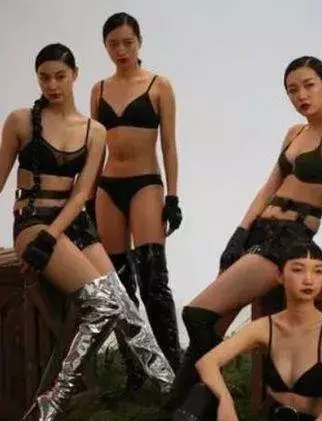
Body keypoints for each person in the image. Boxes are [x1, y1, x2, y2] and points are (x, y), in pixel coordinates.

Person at [166, 56, 322, 414]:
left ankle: (204, 404)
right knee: (213, 329)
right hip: (259, 231)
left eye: (309, 85)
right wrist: (239, 233)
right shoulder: (295, 133)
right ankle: (182, 410)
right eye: (292, 90)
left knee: (197, 315)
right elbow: (269, 187)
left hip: (288, 240)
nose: (301, 95)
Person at [0, 43, 175, 421]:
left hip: (72, 224)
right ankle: (52, 403)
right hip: (33, 222)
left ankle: (172, 390)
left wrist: (55, 234)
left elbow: (81, 194)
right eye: (44, 77)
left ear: (75, 75)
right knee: (102, 305)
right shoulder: (19, 121)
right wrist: (46, 237)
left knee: (126, 311)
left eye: (60, 76)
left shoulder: (95, 131)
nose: (52, 85)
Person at [89, 11, 183, 390]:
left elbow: (169, 145)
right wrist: (87, 196)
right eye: (113, 44)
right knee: (119, 287)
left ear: (139, 41)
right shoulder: (98, 90)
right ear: (105, 46)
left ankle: (173, 369)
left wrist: (173, 196)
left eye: (127, 42)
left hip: (146, 183)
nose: (121, 50)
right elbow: (95, 149)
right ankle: (137, 369)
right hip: (107, 187)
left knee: (153, 280)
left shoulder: (159, 86)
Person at [187, 241, 322, 421]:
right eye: (298, 270)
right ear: (280, 275)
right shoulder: (267, 326)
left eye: (318, 271)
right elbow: (207, 362)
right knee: (198, 398)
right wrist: (225, 401)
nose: (309, 280)